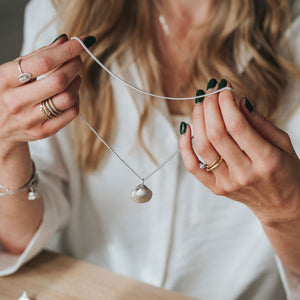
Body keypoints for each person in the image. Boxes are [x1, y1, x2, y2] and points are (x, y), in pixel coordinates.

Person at [0, 0, 299, 299]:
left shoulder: (292, 40)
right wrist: (6, 147)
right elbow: (17, 241)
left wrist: (287, 212)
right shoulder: (61, 12)